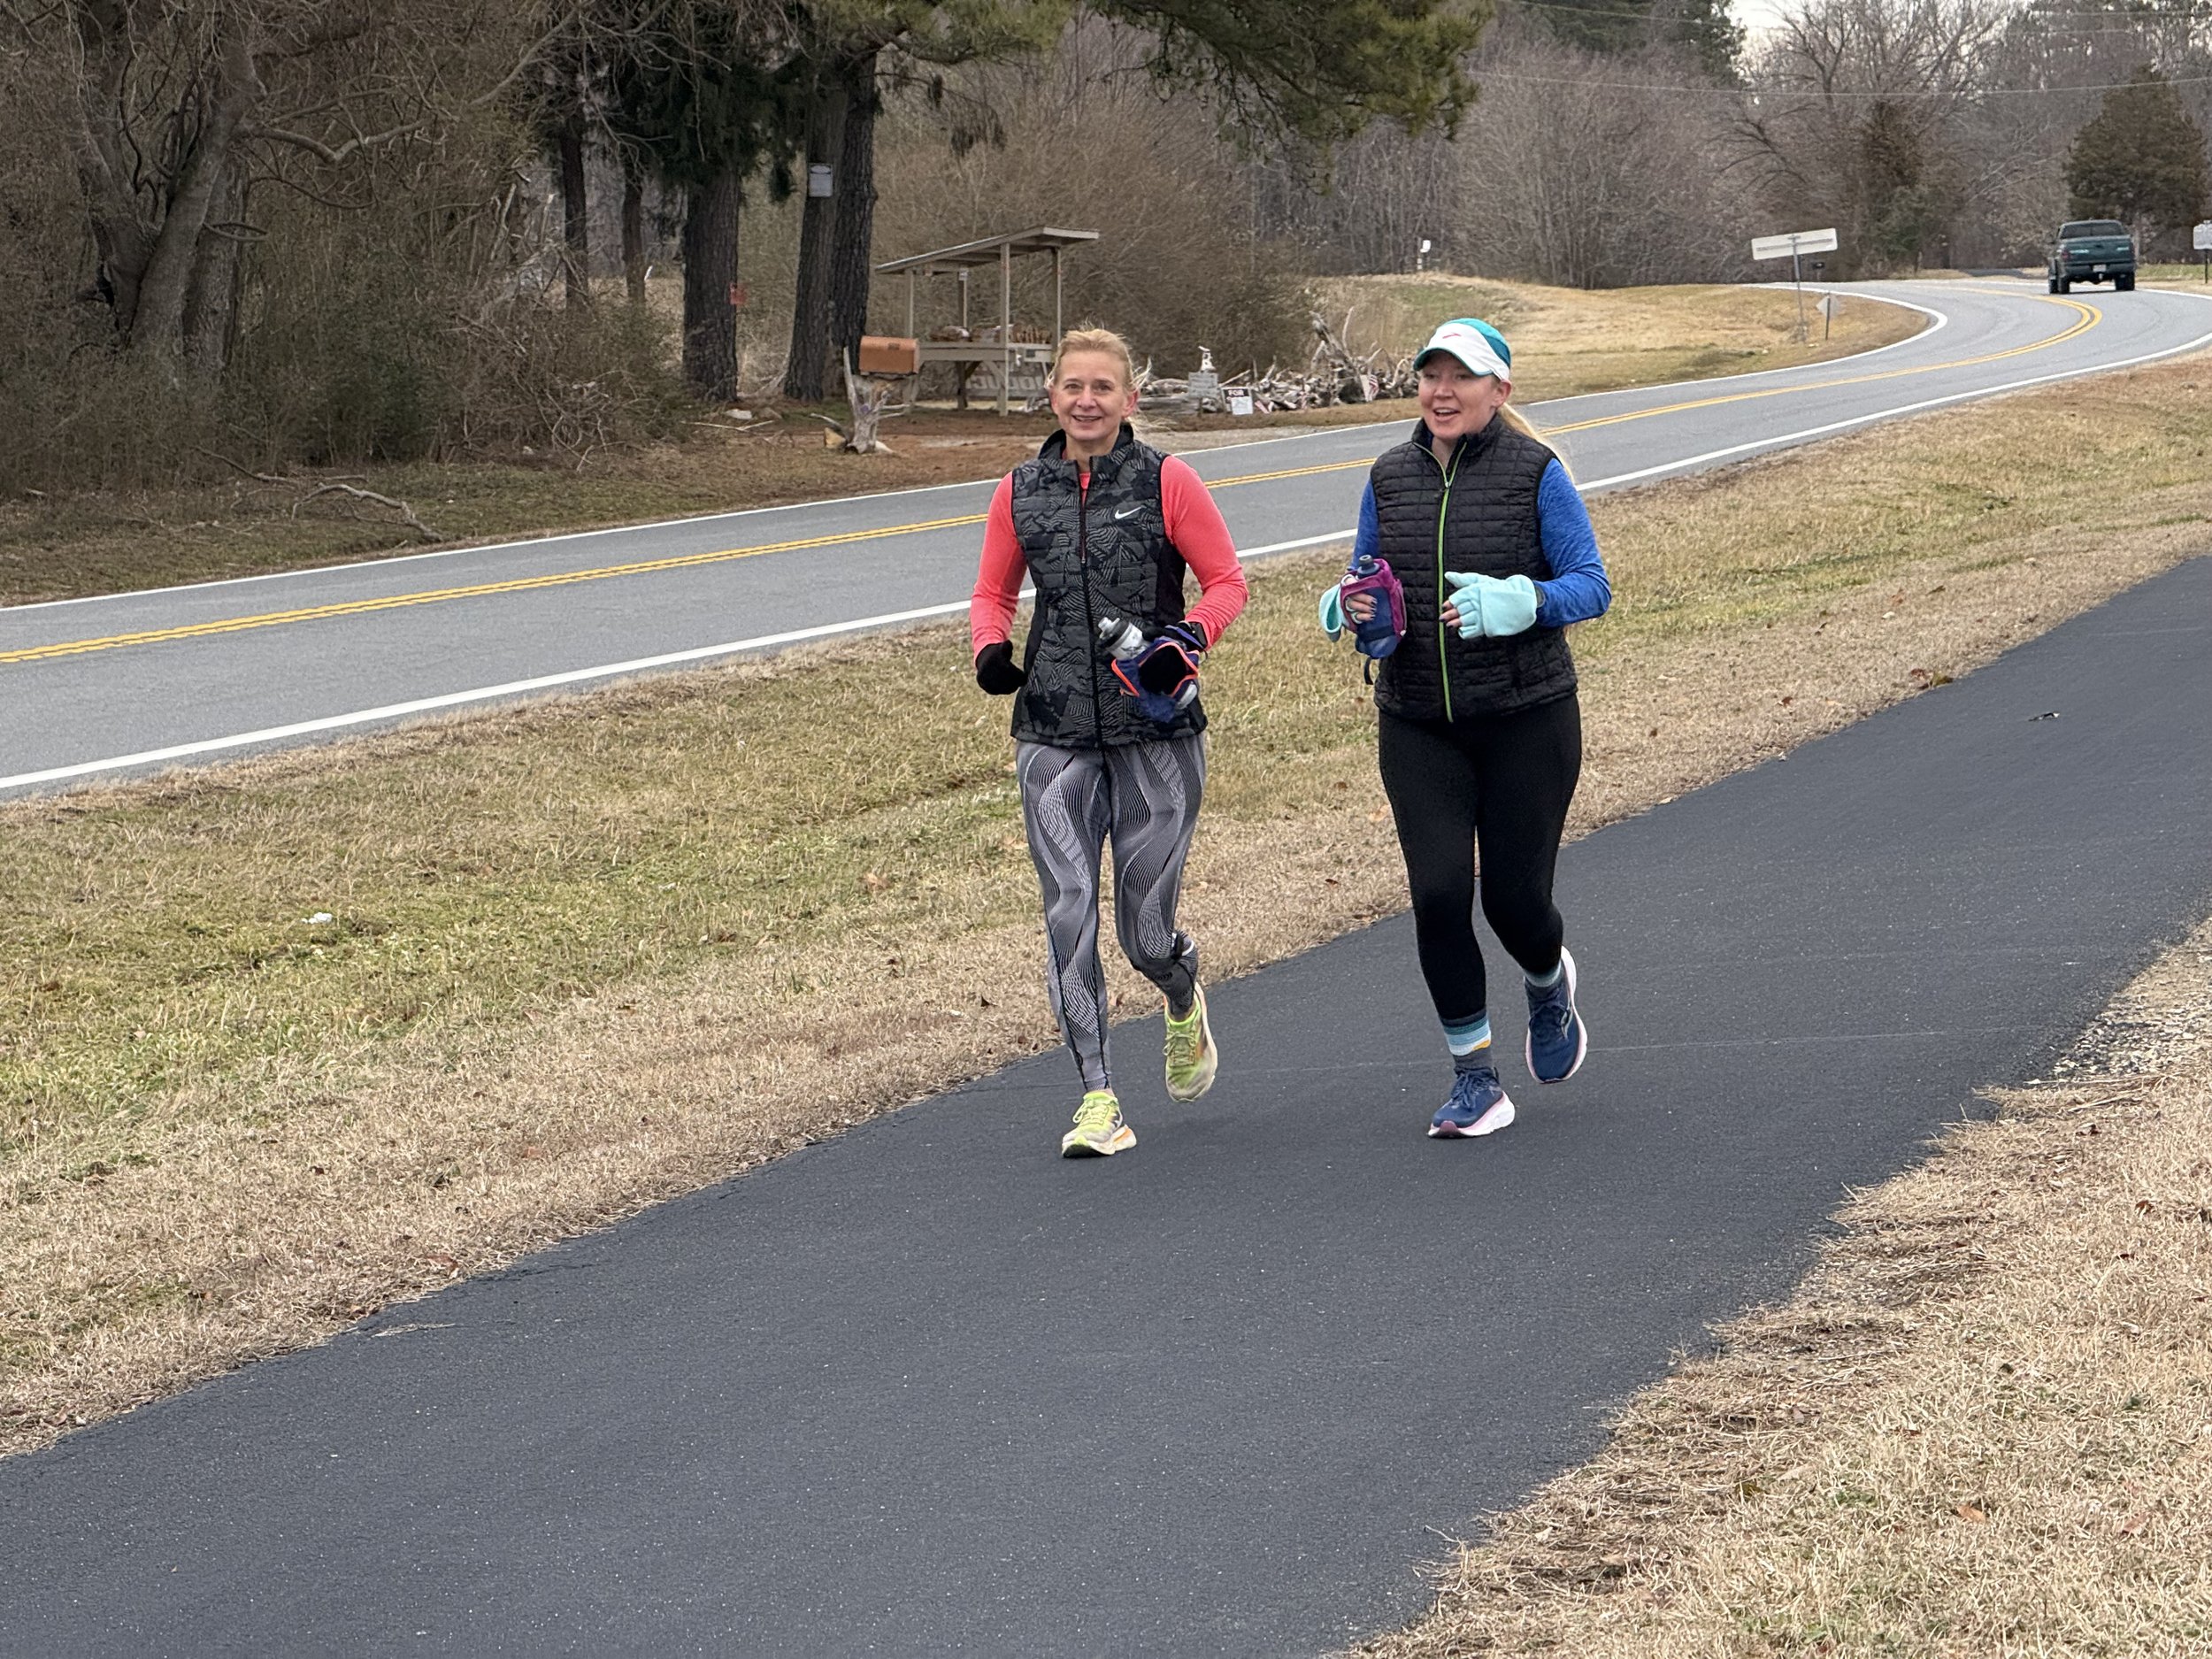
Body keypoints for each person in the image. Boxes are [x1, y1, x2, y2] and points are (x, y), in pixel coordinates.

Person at [1325, 317, 1611, 1140]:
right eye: (1431, 375)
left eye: (1461, 376)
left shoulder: (1537, 473)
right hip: (1418, 722)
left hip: (1528, 719)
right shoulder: (1388, 474)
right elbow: (1369, 574)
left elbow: (1592, 585)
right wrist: (1354, 606)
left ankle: (1547, 982)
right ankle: (1476, 1079)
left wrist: (1526, 600)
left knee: (1516, 904)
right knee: (1439, 894)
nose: (1442, 391)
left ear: (1499, 389)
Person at [970, 326, 1249, 1157]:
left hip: (1154, 730)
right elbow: (992, 592)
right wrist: (990, 647)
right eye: (1072, 386)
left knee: (1144, 935)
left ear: (1130, 398)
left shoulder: (1166, 479)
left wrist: (1187, 640)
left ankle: (1180, 994)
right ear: (1051, 395)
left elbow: (1227, 582)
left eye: (1102, 387)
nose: (1086, 401)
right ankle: (1098, 1097)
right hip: (1053, 729)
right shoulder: (1021, 489)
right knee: (1068, 912)